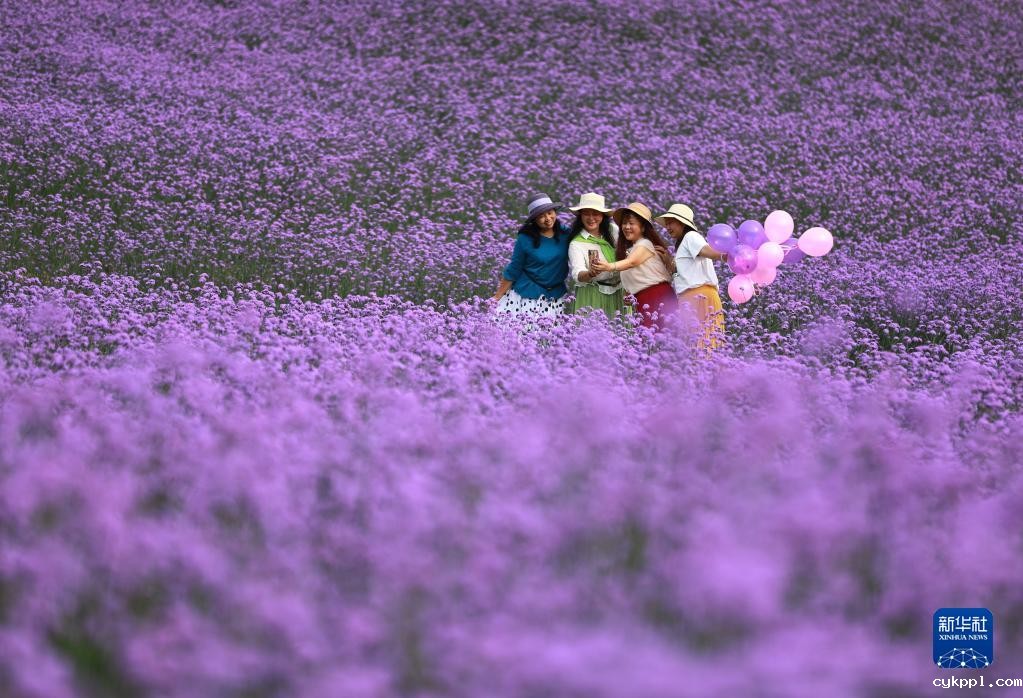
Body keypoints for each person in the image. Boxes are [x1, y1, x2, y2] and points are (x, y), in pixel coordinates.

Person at [591, 202, 677, 330]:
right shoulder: (632, 249)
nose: (626, 227)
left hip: (657, 297)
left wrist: (608, 266)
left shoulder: (645, 244)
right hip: (643, 300)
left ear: (643, 227)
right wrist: (629, 294)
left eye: (631, 223)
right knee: (649, 342)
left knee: (658, 340)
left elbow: (632, 262)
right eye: (624, 223)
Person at [654, 203, 727, 351]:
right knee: (696, 346)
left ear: (682, 223)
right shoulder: (682, 244)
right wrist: (669, 262)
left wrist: (726, 256)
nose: (667, 227)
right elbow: (685, 274)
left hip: (700, 297)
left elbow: (706, 251)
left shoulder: (691, 236)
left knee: (703, 346)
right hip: (690, 298)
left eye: (671, 223)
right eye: (666, 224)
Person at [493, 193, 573, 316]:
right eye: (541, 216)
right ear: (534, 220)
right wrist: (496, 298)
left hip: (556, 295)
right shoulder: (525, 238)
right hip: (528, 294)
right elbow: (514, 268)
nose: (547, 219)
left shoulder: (566, 233)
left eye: (550, 213)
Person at [566, 192, 627, 319]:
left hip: (618, 291)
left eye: (596, 214)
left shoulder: (613, 230)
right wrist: (590, 273)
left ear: (603, 216)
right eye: (586, 213)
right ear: (580, 216)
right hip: (593, 294)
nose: (591, 218)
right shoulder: (576, 243)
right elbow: (577, 274)